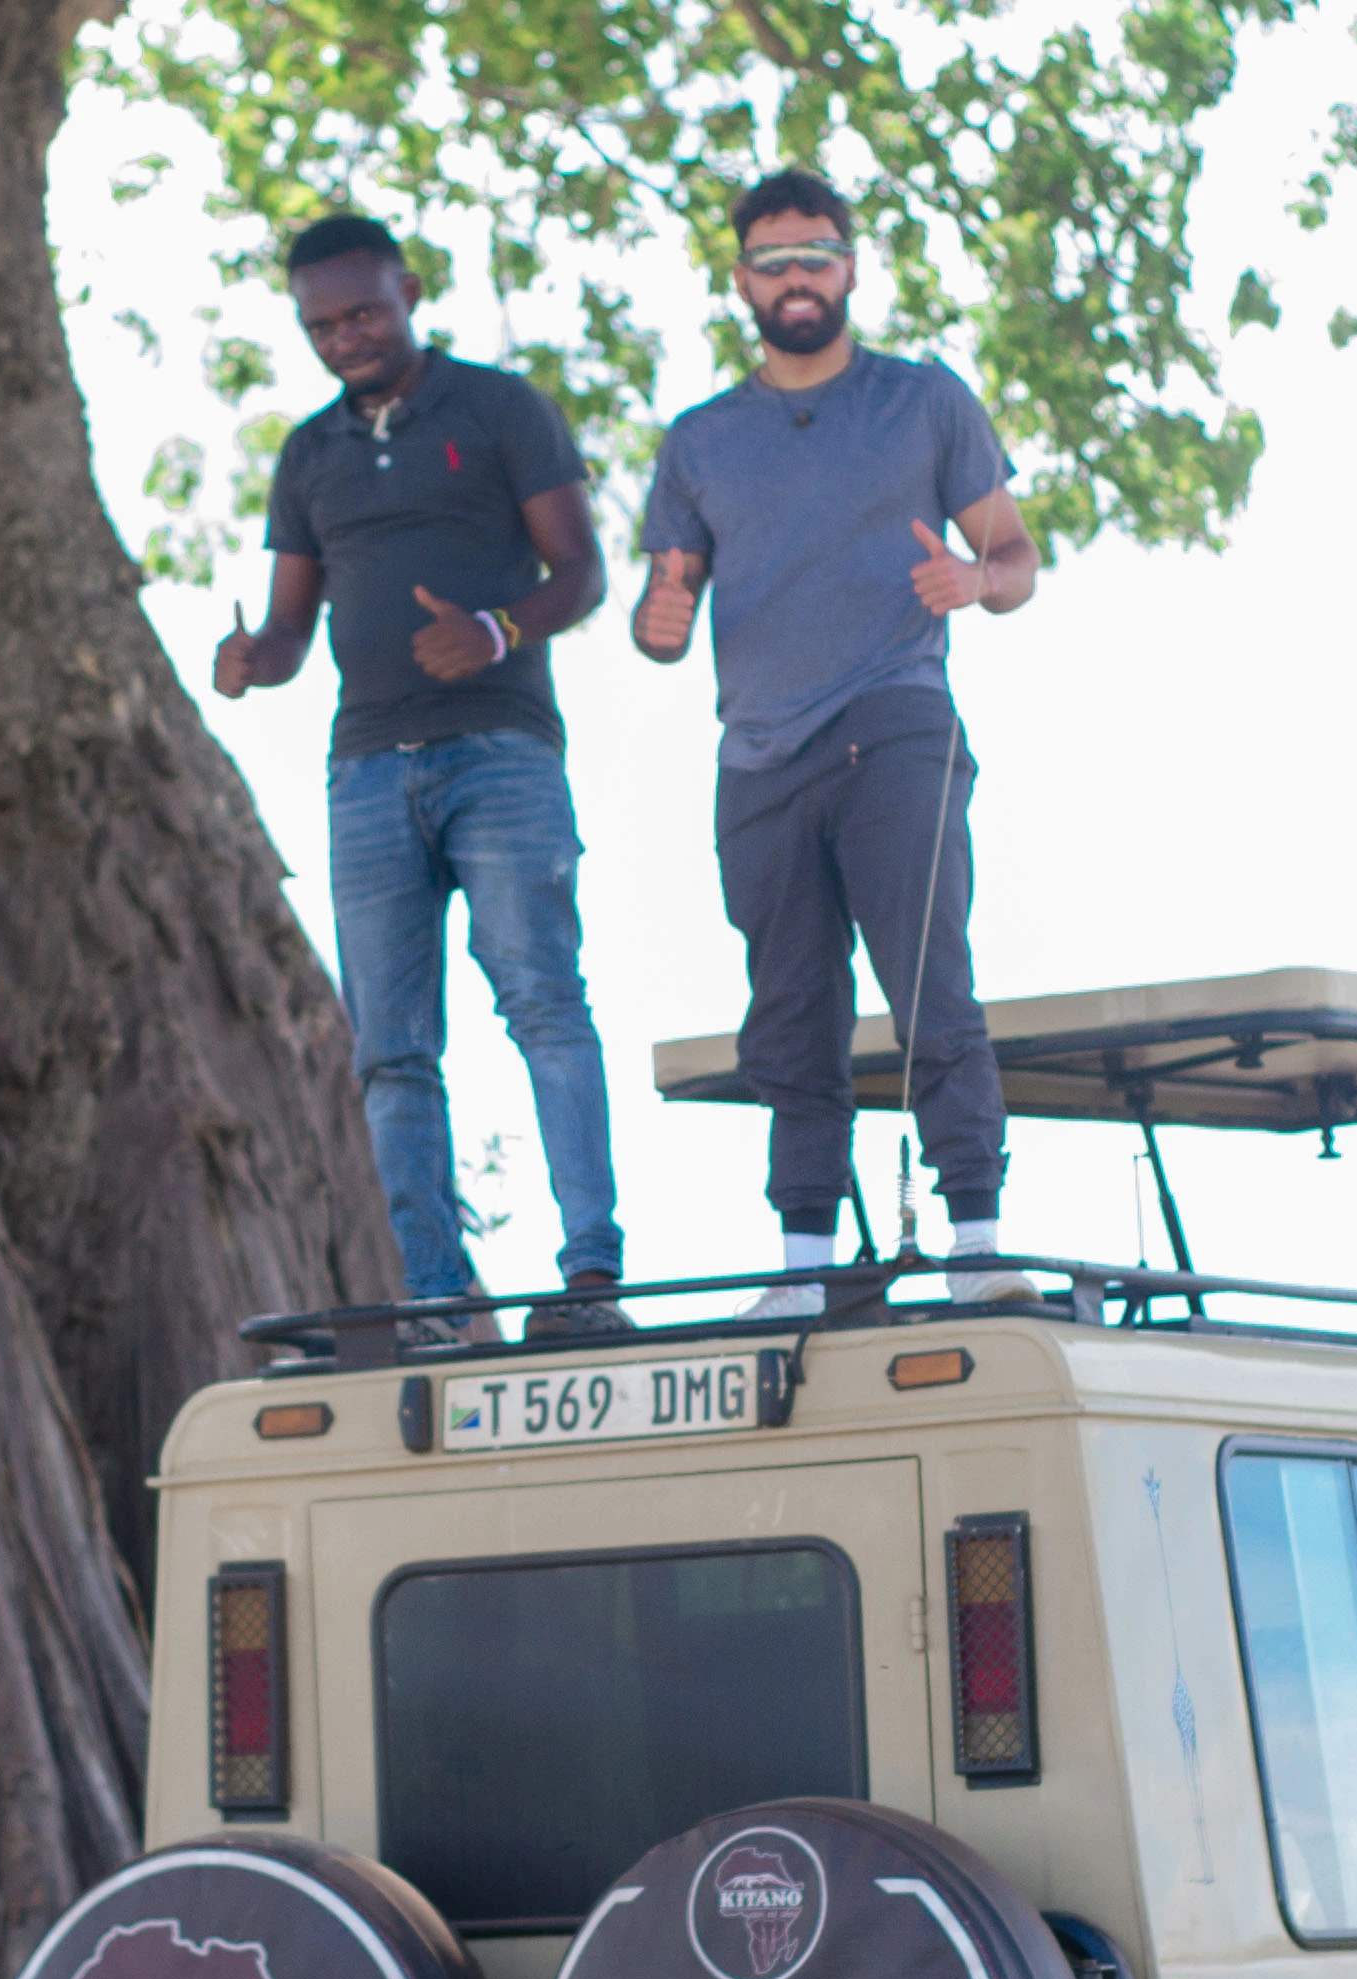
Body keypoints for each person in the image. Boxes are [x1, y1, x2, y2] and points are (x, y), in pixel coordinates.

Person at [216, 213, 633, 1342]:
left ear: (407, 290)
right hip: (364, 771)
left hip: (499, 752)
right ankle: (439, 1294)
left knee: (544, 1004)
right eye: (322, 325)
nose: (346, 337)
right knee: (391, 1050)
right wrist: (257, 660)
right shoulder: (310, 453)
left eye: (363, 312)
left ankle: (590, 1272)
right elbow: (294, 626)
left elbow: (583, 570)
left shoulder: (499, 408)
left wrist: (499, 632)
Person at [633, 168, 1042, 1317]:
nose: (796, 276)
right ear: (740, 283)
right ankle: (805, 1269)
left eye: (816, 252)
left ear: (853, 267)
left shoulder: (923, 400)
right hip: (759, 756)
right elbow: (663, 607)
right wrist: (656, 625)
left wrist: (973, 579)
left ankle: (977, 1241)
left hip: (893, 724)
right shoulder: (701, 440)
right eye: (772, 260)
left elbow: (1014, 556)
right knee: (789, 1013)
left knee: (928, 982)